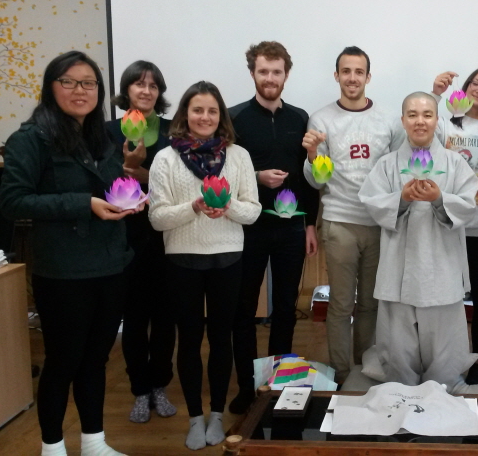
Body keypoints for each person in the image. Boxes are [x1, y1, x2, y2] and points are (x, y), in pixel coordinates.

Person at [0, 51, 134, 456]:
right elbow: (14, 201)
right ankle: (52, 447)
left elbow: (108, 189)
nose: (80, 91)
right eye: (69, 82)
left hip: (109, 263)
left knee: (95, 359)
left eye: (89, 83)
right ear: (51, 87)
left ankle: (94, 442)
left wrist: (129, 198)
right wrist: (84, 203)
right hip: (63, 271)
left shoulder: (103, 137)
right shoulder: (31, 138)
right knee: (63, 361)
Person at [148, 81, 261, 449]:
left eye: (212, 111)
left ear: (221, 116)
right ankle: (195, 418)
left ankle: (217, 415)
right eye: (198, 110)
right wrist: (194, 206)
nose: (205, 117)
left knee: (221, 338)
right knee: (189, 339)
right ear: (185, 114)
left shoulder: (239, 156)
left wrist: (228, 207)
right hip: (182, 261)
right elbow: (157, 218)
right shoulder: (165, 158)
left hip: (228, 258)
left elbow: (253, 211)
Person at [357, 92, 478, 390]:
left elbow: (468, 206)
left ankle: (443, 388)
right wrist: (401, 199)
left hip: (442, 265)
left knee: (444, 346)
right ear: (403, 121)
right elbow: (371, 201)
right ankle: (401, 391)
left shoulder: (455, 163)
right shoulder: (387, 164)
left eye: (427, 115)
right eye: (412, 115)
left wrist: (439, 199)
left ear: (437, 120)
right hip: (399, 267)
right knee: (398, 346)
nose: (420, 121)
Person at [301, 46, 405, 384]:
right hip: (340, 222)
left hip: (378, 224)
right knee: (341, 304)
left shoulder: (389, 120)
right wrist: (313, 154)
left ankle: (365, 369)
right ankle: (342, 373)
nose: (352, 78)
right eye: (346, 71)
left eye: (359, 72)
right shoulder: (321, 119)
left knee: (371, 305)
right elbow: (319, 180)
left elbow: (398, 171)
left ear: (368, 77)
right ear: (337, 76)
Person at [229, 41, 319, 413]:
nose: (270, 78)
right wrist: (256, 176)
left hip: (291, 229)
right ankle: (247, 388)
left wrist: (310, 224)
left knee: (285, 309)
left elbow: (309, 177)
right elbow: (224, 174)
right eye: (263, 71)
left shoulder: (300, 118)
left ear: (286, 74)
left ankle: (278, 384)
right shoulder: (233, 118)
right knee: (243, 310)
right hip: (248, 228)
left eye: (276, 71)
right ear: (252, 72)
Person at [106, 60, 177, 423]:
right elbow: (103, 181)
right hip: (125, 239)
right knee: (134, 318)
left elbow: (178, 182)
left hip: (168, 237)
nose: (146, 91)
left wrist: (139, 171)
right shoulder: (106, 132)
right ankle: (139, 389)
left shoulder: (173, 131)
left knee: (165, 317)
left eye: (153, 85)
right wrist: (127, 171)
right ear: (127, 90)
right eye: (139, 84)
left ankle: (160, 385)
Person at [431, 67, 478, 385]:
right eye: (476, 83)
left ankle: (477, 360)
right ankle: (444, 356)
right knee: (446, 295)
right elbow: (422, 131)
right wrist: (436, 94)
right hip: (447, 223)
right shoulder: (447, 123)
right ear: (467, 86)